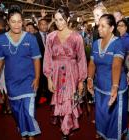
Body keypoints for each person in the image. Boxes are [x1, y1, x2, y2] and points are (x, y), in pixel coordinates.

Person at [0, 5, 41, 140]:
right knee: (17, 111)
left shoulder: (31, 39)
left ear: (23, 21)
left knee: (28, 111)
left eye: (19, 21)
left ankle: (31, 136)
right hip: (12, 83)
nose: (17, 24)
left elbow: (36, 60)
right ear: (8, 22)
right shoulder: (1, 40)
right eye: (13, 21)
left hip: (28, 82)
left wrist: (37, 77)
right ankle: (24, 132)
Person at [43, 6, 87, 140]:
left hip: (71, 74)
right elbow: (47, 58)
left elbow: (81, 59)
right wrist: (49, 78)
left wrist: (81, 80)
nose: (59, 23)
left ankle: (65, 132)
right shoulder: (50, 37)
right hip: (56, 74)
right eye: (56, 20)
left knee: (69, 100)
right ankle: (66, 126)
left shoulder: (77, 37)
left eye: (61, 19)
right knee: (60, 101)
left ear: (67, 19)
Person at [87, 14, 128, 140]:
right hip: (100, 88)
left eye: (103, 26)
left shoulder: (118, 43)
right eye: (99, 25)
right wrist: (89, 79)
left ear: (111, 28)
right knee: (102, 116)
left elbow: (116, 65)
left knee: (115, 123)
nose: (99, 28)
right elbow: (92, 63)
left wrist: (114, 86)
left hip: (115, 89)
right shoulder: (95, 43)